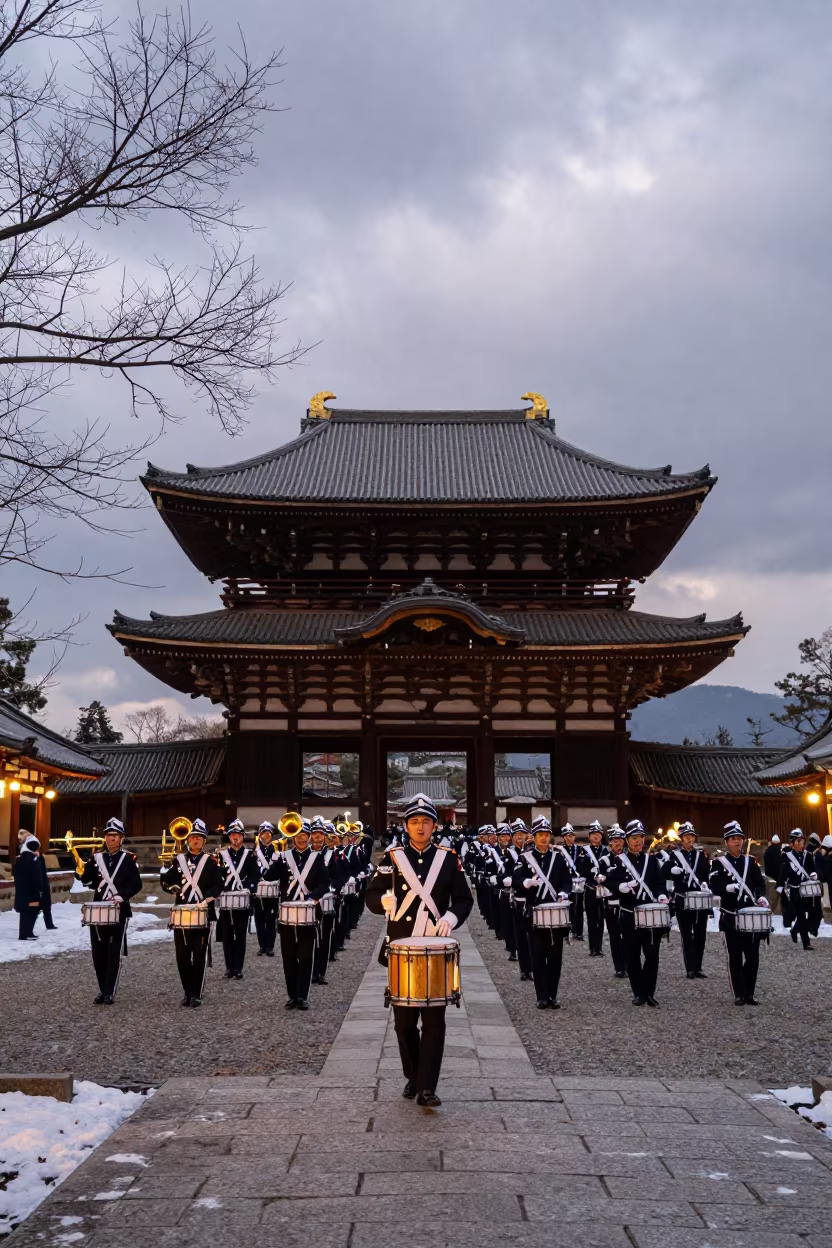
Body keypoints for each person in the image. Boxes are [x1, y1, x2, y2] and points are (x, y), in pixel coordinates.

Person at [366, 794, 472, 1107]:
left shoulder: (448, 857)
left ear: (435, 825)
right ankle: (413, 1075)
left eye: (426, 821)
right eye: (414, 822)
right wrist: (380, 902)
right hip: (402, 948)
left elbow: (464, 899)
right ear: (406, 826)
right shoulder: (393, 857)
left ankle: (427, 1086)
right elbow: (372, 893)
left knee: (435, 1020)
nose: (420, 826)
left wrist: (452, 917)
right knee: (404, 1023)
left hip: (436, 949)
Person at [266, 819, 330, 1010]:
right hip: (287, 914)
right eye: (298, 835)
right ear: (292, 836)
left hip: (308, 912)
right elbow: (268, 876)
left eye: (305, 835)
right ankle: (292, 995)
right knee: (288, 956)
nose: (301, 839)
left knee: (305, 956)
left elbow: (324, 884)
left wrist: (314, 897)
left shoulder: (317, 858)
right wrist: (273, 857)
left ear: (309, 837)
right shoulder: (284, 857)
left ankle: (302, 996)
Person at [77, 817, 142, 1004]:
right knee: (98, 952)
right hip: (98, 910)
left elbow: (136, 884)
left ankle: (110, 990)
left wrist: (122, 895)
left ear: (121, 838)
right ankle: (102, 989)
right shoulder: (96, 858)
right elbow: (87, 880)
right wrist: (81, 872)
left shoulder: (128, 859)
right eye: (108, 835)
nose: (111, 839)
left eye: (115, 836)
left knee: (113, 952)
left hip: (118, 909)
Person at [160, 818, 224, 1007]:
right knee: (182, 955)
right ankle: (187, 991)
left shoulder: (211, 861)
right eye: (193, 837)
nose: (195, 840)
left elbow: (219, 884)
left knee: (199, 954)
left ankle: (196, 993)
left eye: (199, 837)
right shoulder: (178, 860)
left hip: (202, 912)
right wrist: (170, 886)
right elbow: (167, 881)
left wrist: (208, 898)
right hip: (182, 913)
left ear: (204, 841)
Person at [606, 820, 669, 1006]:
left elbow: (659, 883)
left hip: (650, 915)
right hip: (629, 915)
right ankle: (638, 993)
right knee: (632, 956)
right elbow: (610, 883)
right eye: (634, 838)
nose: (638, 842)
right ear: (627, 840)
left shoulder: (651, 860)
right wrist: (621, 887)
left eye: (640, 838)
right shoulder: (619, 861)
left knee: (651, 955)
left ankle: (649, 992)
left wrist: (662, 895)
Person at [709, 820, 770, 1006]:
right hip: (730, 916)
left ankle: (749, 992)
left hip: (750, 917)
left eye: (740, 839)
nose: (737, 842)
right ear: (727, 841)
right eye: (733, 839)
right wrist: (726, 886)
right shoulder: (719, 863)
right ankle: (739, 993)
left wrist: (760, 897)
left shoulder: (750, 862)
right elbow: (713, 885)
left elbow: (759, 884)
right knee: (735, 956)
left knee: (752, 956)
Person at [512, 820, 572, 1008]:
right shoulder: (525, 858)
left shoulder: (559, 857)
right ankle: (542, 996)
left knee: (555, 957)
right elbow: (516, 881)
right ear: (534, 837)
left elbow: (566, 880)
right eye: (540, 835)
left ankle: (553, 995)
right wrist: (526, 883)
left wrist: (564, 892)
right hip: (534, 912)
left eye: (547, 835)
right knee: (537, 957)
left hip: (555, 912)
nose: (544, 838)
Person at [662, 822, 710, 979]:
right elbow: (664, 870)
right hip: (683, 898)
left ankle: (698, 967)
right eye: (686, 836)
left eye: (692, 836)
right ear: (681, 839)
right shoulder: (675, 855)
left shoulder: (701, 855)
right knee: (686, 934)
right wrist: (671, 870)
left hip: (699, 898)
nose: (689, 839)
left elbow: (706, 874)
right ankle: (690, 967)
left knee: (700, 933)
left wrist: (705, 885)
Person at [215, 819, 259, 980]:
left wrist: (247, 886)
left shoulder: (249, 855)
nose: (235, 837)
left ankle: (238, 967)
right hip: (226, 899)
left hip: (242, 899)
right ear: (229, 837)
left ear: (242, 837)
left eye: (238, 834)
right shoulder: (221, 855)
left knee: (240, 936)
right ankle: (229, 967)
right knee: (227, 936)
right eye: (232, 834)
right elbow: (216, 875)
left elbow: (255, 874)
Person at [777, 828, 820, 952]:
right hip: (795, 892)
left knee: (813, 915)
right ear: (792, 843)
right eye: (799, 841)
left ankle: (795, 930)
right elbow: (782, 875)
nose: (801, 843)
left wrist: (814, 875)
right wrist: (781, 890)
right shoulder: (787, 857)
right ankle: (806, 943)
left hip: (808, 891)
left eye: (802, 841)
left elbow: (813, 869)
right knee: (801, 916)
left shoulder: (808, 856)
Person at [597, 825, 626, 977]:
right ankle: (619, 967)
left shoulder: (629, 858)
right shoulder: (604, 860)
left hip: (628, 902)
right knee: (615, 935)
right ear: (610, 843)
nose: (618, 843)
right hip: (612, 902)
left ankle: (628, 963)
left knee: (628, 935)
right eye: (615, 840)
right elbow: (601, 878)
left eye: (621, 840)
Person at [578, 821, 606, 956]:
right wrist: (591, 871)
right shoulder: (584, 850)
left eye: (598, 834)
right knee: (591, 918)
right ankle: (592, 947)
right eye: (593, 834)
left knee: (601, 919)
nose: (596, 836)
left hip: (604, 888)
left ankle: (599, 947)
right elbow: (580, 868)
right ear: (589, 836)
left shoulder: (606, 850)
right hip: (590, 888)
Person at [253, 821, 279, 956]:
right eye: (262, 833)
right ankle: (262, 945)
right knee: (259, 920)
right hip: (258, 891)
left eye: (267, 833)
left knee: (271, 918)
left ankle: (270, 946)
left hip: (272, 889)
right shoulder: (254, 852)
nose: (265, 836)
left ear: (272, 835)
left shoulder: (277, 851)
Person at [13, 836, 44, 941]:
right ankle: (27, 932)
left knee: (24, 913)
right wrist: (40, 889)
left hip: (22, 891)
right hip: (32, 892)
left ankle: (23, 933)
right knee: (32, 911)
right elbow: (37, 876)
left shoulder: (19, 859)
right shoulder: (32, 860)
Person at [558, 824, 584, 939]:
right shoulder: (559, 851)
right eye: (567, 836)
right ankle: (567, 930)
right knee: (567, 906)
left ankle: (579, 931)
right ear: (563, 837)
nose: (569, 838)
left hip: (577, 881)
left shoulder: (579, 849)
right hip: (566, 882)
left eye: (571, 836)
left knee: (578, 907)